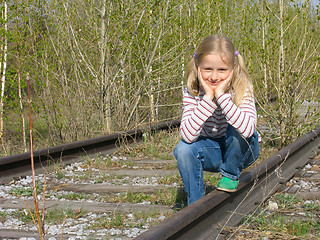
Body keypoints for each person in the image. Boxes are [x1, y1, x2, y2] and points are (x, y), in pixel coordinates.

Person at [173, 34, 260, 205]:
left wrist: (221, 96)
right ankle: (195, 205)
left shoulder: (243, 88)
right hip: (212, 151)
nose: (214, 77)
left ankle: (229, 175)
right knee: (183, 150)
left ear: (233, 69)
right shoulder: (193, 91)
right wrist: (207, 100)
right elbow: (188, 136)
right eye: (207, 69)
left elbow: (248, 131)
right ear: (198, 67)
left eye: (222, 70)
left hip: (242, 150)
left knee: (237, 129)